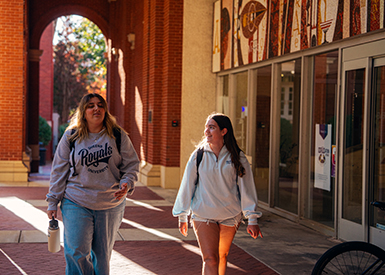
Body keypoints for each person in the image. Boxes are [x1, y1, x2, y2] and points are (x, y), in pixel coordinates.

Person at [46, 93, 139, 275]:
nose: (96, 108)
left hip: (110, 204)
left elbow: (131, 165)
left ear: (105, 110)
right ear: (83, 111)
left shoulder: (118, 136)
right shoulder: (71, 137)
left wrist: (127, 183)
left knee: (102, 257)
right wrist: (52, 200)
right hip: (76, 201)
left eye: (100, 105)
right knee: (76, 252)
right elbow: (59, 171)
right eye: (90, 105)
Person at [172, 113, 263, 275]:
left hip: (230, 215)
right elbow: (187, 186)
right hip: (203, 214)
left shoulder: (237, 157)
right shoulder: (198, 155)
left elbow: (247, 188)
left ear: (224, 131)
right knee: (210, 258)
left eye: (212, 127)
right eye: (206, 127)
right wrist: (182, 215)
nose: (207, 131)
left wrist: (252, 218)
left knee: (221, 256)